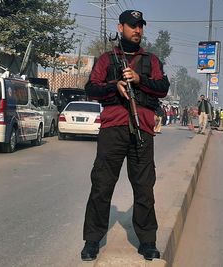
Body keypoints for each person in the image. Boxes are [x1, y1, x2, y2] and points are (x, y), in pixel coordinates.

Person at [81, 10, 170, 261]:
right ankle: (92, 240)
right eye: (132, 26)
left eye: (140, 26)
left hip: (142, 129)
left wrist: (140, 80)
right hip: (113, 130)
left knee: (144, 188)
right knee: (101, 185)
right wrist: (115, 87)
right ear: (121, 28)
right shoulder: (107, 59)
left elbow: (162, 88)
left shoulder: (150, 60)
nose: (137, 30)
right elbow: (91, 88)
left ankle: (148, 241)